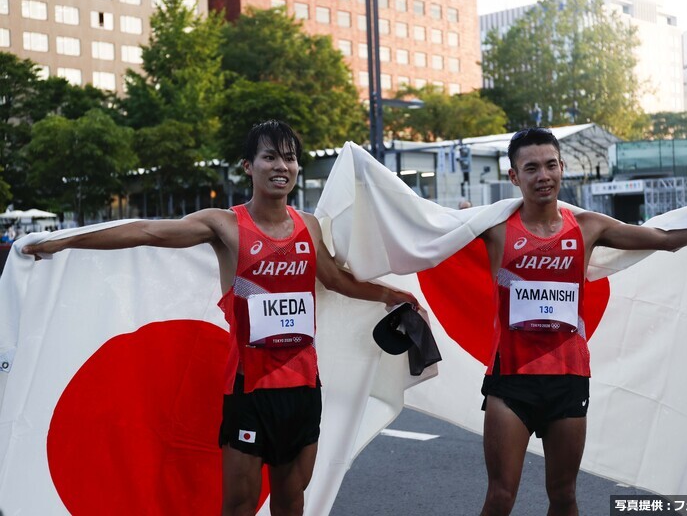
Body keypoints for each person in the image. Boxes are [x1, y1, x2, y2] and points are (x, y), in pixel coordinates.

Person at [22, 120, 416, 516]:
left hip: (303, 388)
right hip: (248, 389)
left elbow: (335, 280)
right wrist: (65, 241)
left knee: (291, 501)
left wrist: (392, 295)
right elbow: (147, 232)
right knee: (239, 506)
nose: (282, 166)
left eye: (290, 158)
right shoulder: (225, 225)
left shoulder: (308, 226)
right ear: (248, 166)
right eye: (270, 157)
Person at [477, 127, 687, 516]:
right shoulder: (494, 228)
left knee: (564, 496)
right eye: (531, 168)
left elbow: (665, 238)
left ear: (562, 168)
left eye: (551, 165)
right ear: (513, 176)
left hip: (568, 378)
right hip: (511, 381)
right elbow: (422, 231)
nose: (543, 176)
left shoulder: (589, 227)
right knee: (501, 496)